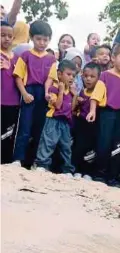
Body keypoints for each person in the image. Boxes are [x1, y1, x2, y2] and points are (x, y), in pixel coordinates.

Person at [86, 44, 120, 185]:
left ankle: (112, 177)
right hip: (107, 113)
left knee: (118, 145)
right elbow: (96, 95)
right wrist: (93, 110)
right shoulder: (105, 75)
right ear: (113, 58)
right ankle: (99, 174)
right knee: (103, 142)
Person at [12, 20, 58, 167]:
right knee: (24, 127)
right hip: (29, 92)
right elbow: (18, 76)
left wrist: (47, 93)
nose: (42, 42)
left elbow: (50, 79)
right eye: (39, 39)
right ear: (32, 38)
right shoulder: (25, 55)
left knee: (40, 128)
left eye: (45, 39)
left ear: (50, 39)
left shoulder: (51, 59)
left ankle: (33, 161)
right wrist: (24, 93)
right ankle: (18, 159)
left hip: (42, 95)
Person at [33, 60, 77, 174]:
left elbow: (72, 108)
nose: (71, 77)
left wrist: (75, 95)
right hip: (53, 119)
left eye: (73, 75)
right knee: (48, 142)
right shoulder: (54, 88)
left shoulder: (70, 90)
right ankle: (41, 164)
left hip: (66, 122)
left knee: (66, 146)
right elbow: (57, 106)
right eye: (68, 74)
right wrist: (61, 91)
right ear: (59, 74)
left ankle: (67, 169)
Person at [72, 62, 102, 180]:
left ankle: (88, 172)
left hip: (94, 125)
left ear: (98, 78)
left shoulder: (99, 93)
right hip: (81, 124)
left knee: (91, 150)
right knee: (79, 147)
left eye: (92, 76)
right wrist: (77, 99)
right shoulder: (81, 92)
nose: (88, 79)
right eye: (86, 76)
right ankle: (77, 170)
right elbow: (74, 109)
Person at [1, 21, 20, 164]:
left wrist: (9, 67)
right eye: (2, 35)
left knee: (8, 133)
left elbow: (20, 78)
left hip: (13, 102)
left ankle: (5, 161)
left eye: (9, 36)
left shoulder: (17, 58)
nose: (6, 39)